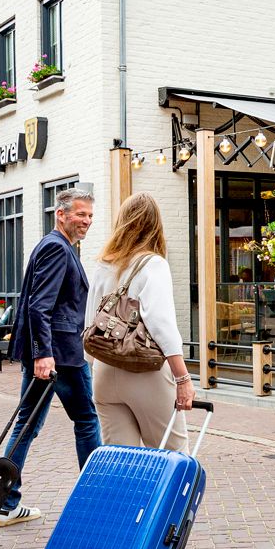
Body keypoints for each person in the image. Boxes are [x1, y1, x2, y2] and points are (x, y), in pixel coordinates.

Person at [0, 186, 103, 527]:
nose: (87, 220)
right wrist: (44, 355)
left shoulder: (56, 245)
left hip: (50, 354)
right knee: (86, 420)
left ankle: (5, 503)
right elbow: (39, 306)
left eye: (90, 215)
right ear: (61, 214)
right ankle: (94, 499)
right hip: (61, 356)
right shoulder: (57, 248)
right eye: (80, 214)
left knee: (27, 425)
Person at [86, 192, 194, 452]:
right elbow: (161, 324)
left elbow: (90, 320)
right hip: (145, 371)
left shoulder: (103, 264)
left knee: (121, 461)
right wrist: (182, 378)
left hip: (104, 371)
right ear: (155, 224)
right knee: (172, 455)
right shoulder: (153, 264)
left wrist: (93, 365)